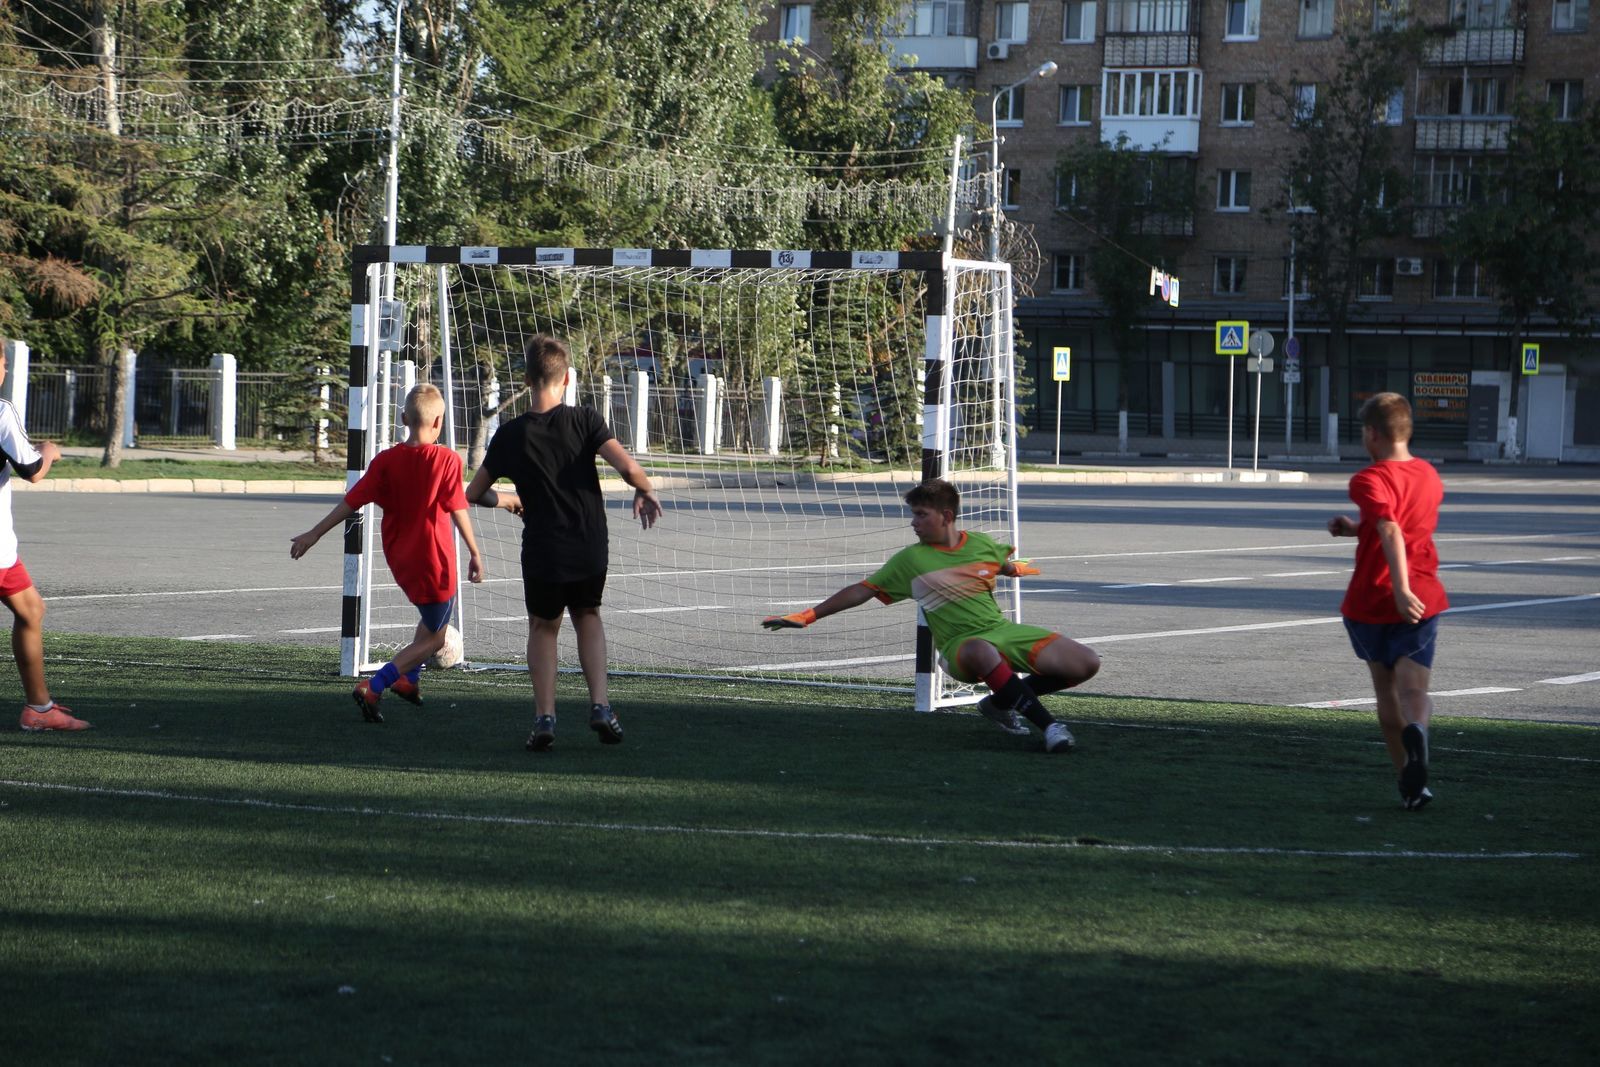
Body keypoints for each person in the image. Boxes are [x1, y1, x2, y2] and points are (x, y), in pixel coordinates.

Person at [761, 478, 1100, 753]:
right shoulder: (911, 560)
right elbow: (862, 589)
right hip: (960, 647)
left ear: (947, 516)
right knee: (983, 650)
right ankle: (1051, 727)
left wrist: (1016, 569)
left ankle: (998, 703)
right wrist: (808, 615)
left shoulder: (980, 543)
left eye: (921, 514)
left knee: (1086, 662)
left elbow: (1001, 564)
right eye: (914, 514)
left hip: (1000, 630)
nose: (913, 523)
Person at [465, 334, 662, 752]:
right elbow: (628, 467)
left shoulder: (510, 434)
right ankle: (601, 707)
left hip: (543, 548)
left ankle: (545, 717)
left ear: (527, 379)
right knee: (587, 616)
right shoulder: (585, 420)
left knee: (543, 626)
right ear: (567, 377)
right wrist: (645, 490)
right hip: (589, 543)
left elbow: (473, 492)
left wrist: (508, 500)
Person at [291, 383, 503, 721]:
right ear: (439, 423)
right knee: (435, 639)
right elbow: (457, 507)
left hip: (400, 558)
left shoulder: (385, 461)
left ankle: (409, 678)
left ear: (403, 418)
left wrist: (314, 533)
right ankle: (375, 686)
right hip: (435, 559)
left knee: (433, 618)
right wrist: (475, 551)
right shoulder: (447, 460)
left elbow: (352, 501)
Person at [1327, 392, 1448, 811]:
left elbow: (1391, 528)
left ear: (1372, 434)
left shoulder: (1368, 478)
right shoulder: (1430, 476)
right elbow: (1398, 523)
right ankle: (1418, 729)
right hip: (1422, 597)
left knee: (1384, 695)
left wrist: (1398, 589)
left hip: (1374, 601)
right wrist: (1354, 528)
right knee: (1414, 690)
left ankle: (1410, 785)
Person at [0, 346, 85, 731]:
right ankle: (38, 710)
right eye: (3, 362)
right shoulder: (1, 412)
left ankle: (39, 706)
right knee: (30, 612)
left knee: (31, 610)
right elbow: (32, 469)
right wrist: (49, 451)